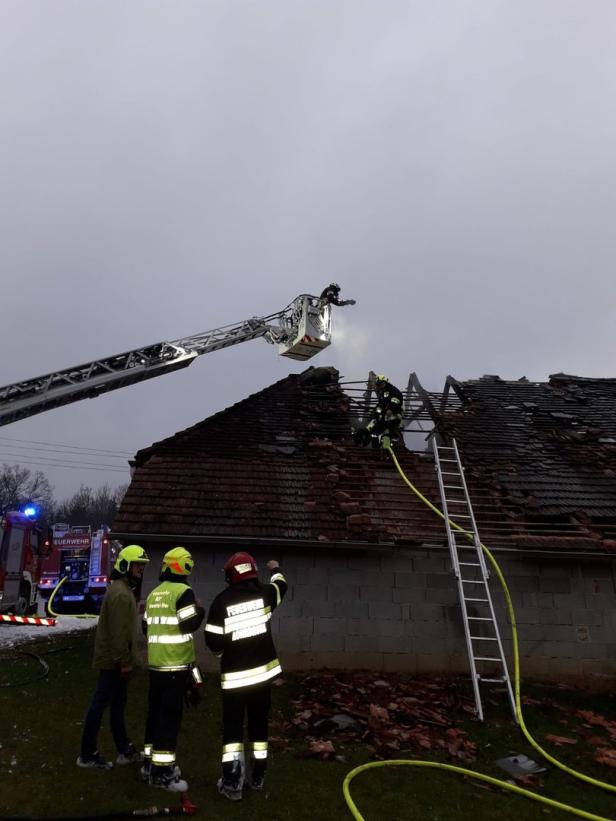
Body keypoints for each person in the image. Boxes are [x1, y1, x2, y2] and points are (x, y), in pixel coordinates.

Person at [205, 552, 287, 801]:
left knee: (232, 732)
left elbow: (213, 641)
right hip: (262, 679)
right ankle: (258, 778)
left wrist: (222, 654)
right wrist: (275, 568)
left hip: (235, 681)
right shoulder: (265, 594)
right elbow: (282, 585)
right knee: (259, 729)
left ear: (231, 575)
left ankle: (232, 785)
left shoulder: (221, 602)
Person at [76, 544, 150, 770]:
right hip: (113, 663)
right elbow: (118, 634)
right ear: (126, 565)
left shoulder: (124, 590)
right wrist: (124, 663)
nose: (141, 569)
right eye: (138, 565)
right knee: (99, 705)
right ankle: (87, 754)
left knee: (117, 706)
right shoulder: (120, 593)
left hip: (117, 661)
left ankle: (124, 750)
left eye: (142, 566)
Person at [142, 546, 204, 793]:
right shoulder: (184, 592)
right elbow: (189, 624)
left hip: (156, 667)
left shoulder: (154, 593)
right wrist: (200, 609)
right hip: (175, 667)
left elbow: (146, 629)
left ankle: (148, 764)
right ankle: (163, 773)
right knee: (169, 720)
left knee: (154, 716)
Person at [353, 374, 404, 448]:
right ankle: (375, 451)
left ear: (386, 382)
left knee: (389, 435)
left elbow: (395, 401)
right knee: (374, 434)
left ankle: (389, 449)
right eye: (379, 384)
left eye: (382, 384)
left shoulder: (393, 390)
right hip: (384, 418)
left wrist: (390, 409)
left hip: (394, 417)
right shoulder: (383, 393)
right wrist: (376, 413)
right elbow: (381, 404)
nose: (381, 386)